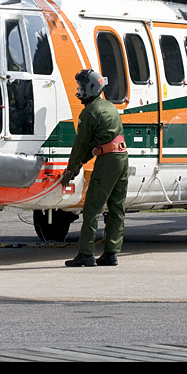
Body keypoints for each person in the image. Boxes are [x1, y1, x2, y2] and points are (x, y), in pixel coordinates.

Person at [60, 69, 127, 267]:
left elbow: (81, 144)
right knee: (117, 207)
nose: (79, 90)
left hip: (107, 161)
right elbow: (99, 142)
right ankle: (112, 252)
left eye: (81, 86)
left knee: (92, 208)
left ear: (90, 88)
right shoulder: (110, 107)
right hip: (122, 158)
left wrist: (71, 169)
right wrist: (82, 162)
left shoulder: (89, 112)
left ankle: (86, 254)